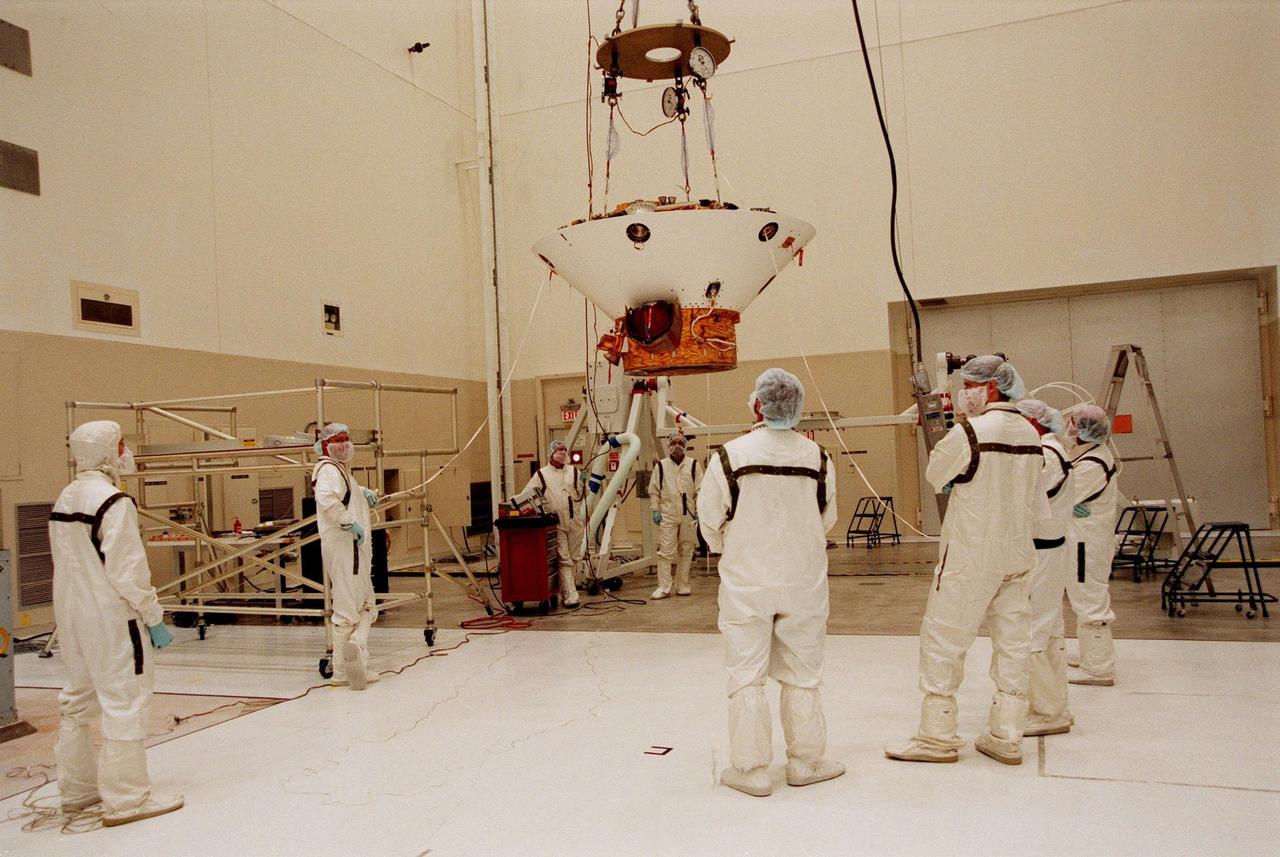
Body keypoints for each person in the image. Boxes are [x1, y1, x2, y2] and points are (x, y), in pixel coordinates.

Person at [885, 356, 1043, 766]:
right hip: (1018, 554)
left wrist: (950, 440)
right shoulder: (1030, 432)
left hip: (972, 556)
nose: (964, 392)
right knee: (1013, 644)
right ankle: (1007, 734)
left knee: (944, 641)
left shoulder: (969, 433)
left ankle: (936, 737)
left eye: (970, 385)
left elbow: (936, 475)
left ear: (991, 389)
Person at [698, 368, 842, 797]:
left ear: (759, 405)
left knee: (747, 673)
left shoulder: (728, 456)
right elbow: (827, 519)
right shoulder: (819, 458)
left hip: (748, 582)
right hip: (804, 581)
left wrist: (738, 547)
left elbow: (710, 521)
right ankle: (806, 761)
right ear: (794, 408)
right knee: (802, 673)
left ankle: (751, 770)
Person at [50, 420, 184, 826]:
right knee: (123, 702)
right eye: (122, 445)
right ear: (109, 451)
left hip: (71, 617)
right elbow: (128, 572)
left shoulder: (66, 496)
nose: (126, 452)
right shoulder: (113, 501)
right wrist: (154, 617)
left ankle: (77, 791)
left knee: (76, 702)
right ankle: (127, 799)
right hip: (112, 618)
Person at [1016, 399, 1076, 736]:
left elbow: (1025, 497)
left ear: (1034, 423)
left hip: (1044, 553)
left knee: (1034, 631)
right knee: (1049, 627)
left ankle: (1045, 710)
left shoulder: (1047, 454)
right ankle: (1056, 703)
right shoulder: (1050, 449)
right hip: (1047, 552)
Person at [313, 422, 380, 690]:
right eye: (339, 439)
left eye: (347, 439)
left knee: (367, 604)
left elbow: (345, 492)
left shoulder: (339, 470)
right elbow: (328, 499)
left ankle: (357, 651)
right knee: (347, 609)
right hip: (346, 546)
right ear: (326, 444)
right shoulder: (327, 468)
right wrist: (346, 522)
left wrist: (363, 493)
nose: (345, 444)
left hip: (354, 548)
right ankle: (342, 669)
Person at [1063, 404, 1121, 686]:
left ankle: (1098, 669)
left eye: (1073, 422)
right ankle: (1091, 655)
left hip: (1087, 542)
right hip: (1085, 539)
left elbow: (1060, 496)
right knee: (1083, 596)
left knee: (1089, 599)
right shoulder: (1089, 456)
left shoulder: (1092, 464)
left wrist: (1063, 505)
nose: (1068, 426)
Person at [523, 439, 584, 608]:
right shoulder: (542, 474)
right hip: (557, 523)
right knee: (564, 559)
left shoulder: (575, 472)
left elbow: (581, 493)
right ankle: (571, 595)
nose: (563, 452)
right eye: (559, 450)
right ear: (552, 452)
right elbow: (527, 495)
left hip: (575, 522)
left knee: (574, 557)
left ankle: (563, 590)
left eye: (565, 450)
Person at [649, 433, 702, 599]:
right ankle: (664, 587)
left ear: (685, 445)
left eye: (680, 442)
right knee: (665, 552)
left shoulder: (693, 465)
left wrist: (700, 510)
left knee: (686, 551)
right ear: (668, 445)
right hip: (668, 514)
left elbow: (701, 490)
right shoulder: (661, 466)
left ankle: (683, 585)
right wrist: (655, 509)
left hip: (689, 514)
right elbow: (654, 491)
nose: (677, 445)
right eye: (673, 442)